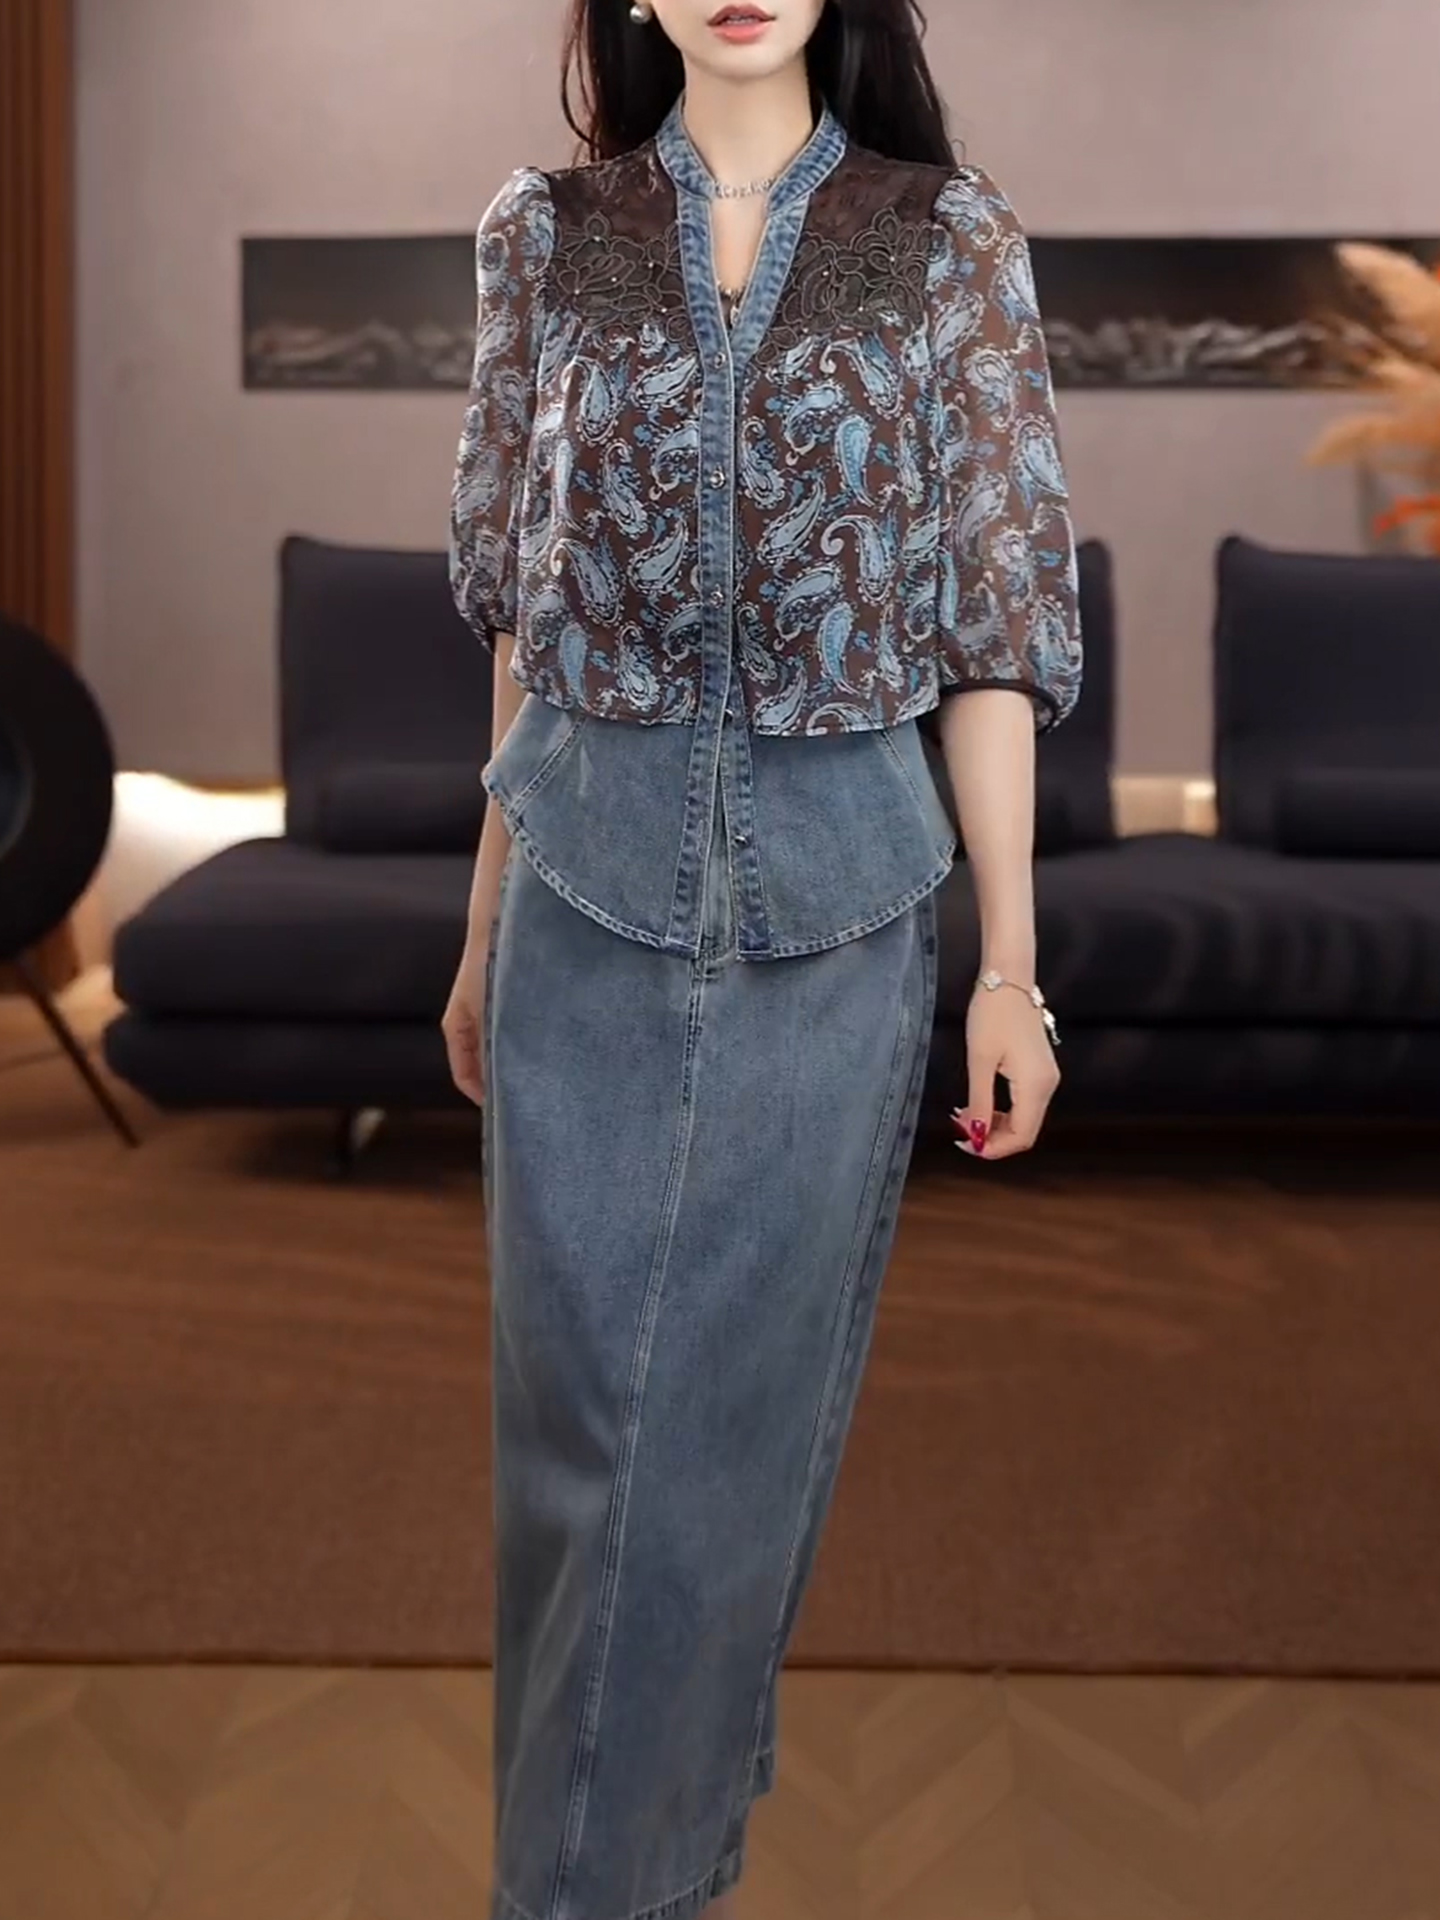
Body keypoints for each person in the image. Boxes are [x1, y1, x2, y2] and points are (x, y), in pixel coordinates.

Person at [443, 2, 1082, 1914]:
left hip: (841, 914)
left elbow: (992, 628)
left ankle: (621, 1881)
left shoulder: (948, 236)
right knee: (572, 1464)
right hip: (579, 893)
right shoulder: (544, 237)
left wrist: (1010, 971)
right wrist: (478, 929)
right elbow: (519, 618)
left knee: (720, 1463)